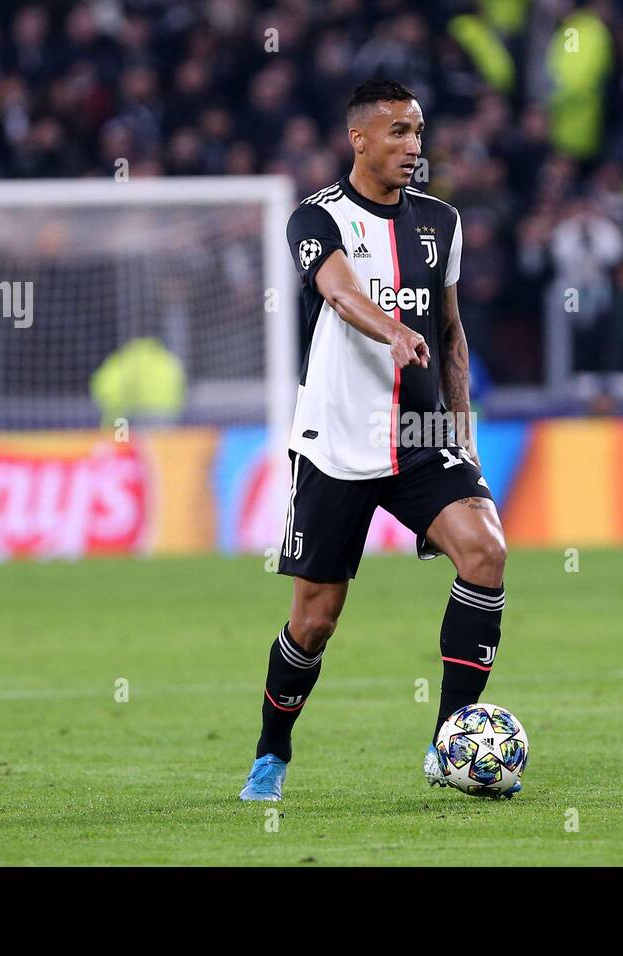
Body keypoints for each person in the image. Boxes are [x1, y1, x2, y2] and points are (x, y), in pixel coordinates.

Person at [238, 78, 513, 801]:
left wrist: (464, 429)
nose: (413, 146)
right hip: (336, 441)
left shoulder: (441, 223)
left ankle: (449, 745)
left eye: (418, 130)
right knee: (316, 619)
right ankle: (272, 753)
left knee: (486, 552)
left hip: (422, 435)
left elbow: (450, 333)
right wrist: (391, 327)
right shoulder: (314, 217)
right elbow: (336, 289)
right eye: (397, 131)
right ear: (358, 138)